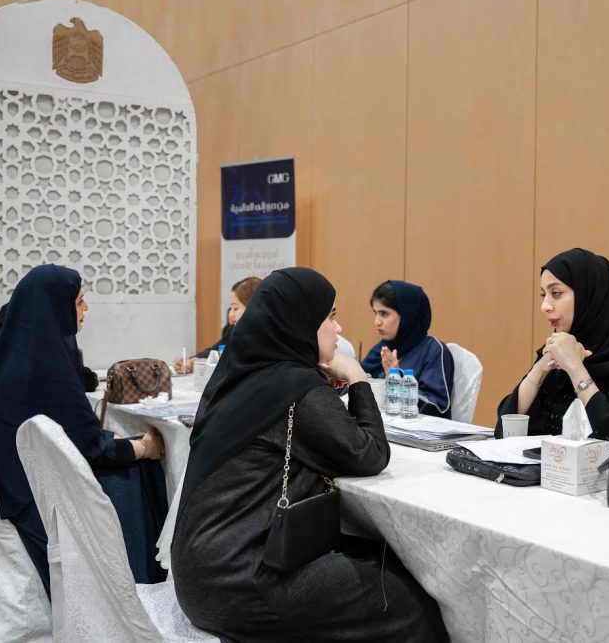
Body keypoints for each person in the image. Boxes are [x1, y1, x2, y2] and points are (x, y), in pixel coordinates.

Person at [172, 267, 448, 642]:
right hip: (243, 579)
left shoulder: (237, 374)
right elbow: (369, 454)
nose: (338, 329)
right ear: (300, 324)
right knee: (409, 602)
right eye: (329, 318)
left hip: (202, 571)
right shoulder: (295, 386)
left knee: (374, 557)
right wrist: (358, 379)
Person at [0, 264, 168, 596]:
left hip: (3, 482)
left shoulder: (8, 348)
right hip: (32, 503)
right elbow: (90, 448)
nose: (86, 307)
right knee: (138, 469)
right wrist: (144, 448)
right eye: (79, 301)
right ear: (55, 307)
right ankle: (130, 591)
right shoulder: (42, 369)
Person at [496, 248, 609, 451]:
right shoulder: (560, 347)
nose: (545, 306)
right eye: (544, 295)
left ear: (588, 295)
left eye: (556, 293)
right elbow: (504, 430)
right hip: (556, 469)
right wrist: (539, 370)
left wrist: (575, 369)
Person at [0, 302, 100, 414]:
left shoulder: (3, 337)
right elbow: (72, 381)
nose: (86, 307)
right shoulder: (27, 351)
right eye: (79, 302)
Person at [360, 280, 454, 417]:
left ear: (407, 314)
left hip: (418, 428)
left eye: (384, 314)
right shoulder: (380, 350)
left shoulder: (433, 351)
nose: (377, 322)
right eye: (375, 313)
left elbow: (435, 407)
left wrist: (397, 378)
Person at [175, 276, 261, 373]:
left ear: (253, 309)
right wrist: (191, 363)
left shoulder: (267, 340)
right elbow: (215, 352)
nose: (230, 315)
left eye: (235, 309)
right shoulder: (233, 330)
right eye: (230, 309)